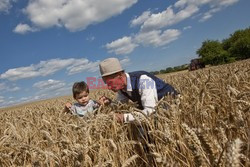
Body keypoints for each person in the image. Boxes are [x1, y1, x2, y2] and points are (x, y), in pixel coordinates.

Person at [98, 57, 178, 123]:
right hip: (158, 113)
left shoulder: (143, 80)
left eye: (110, 83)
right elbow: (120, 104)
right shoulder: (121, 88)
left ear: (120, 75)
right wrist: (109, 103)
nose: (108, 87)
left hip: (173, 106)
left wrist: (123, 118)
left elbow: (150, 111)